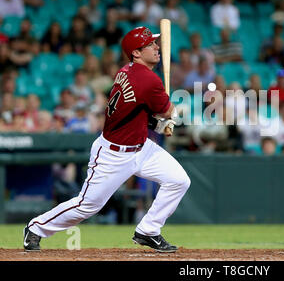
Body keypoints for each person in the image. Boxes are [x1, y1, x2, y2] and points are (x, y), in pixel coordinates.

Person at [23, 26, 190, 253]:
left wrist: (156, 121)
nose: (156, 47)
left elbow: (137, 110)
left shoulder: (127, 70)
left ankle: (148, 230)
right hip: (113, 154)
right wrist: (168, 116)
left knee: (179, 180)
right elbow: (168, 111)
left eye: (154, 42)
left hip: (142, 148)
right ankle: (36, 227)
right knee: (87, 205)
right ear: (136, 53)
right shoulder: (148, 80)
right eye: (150, 44)